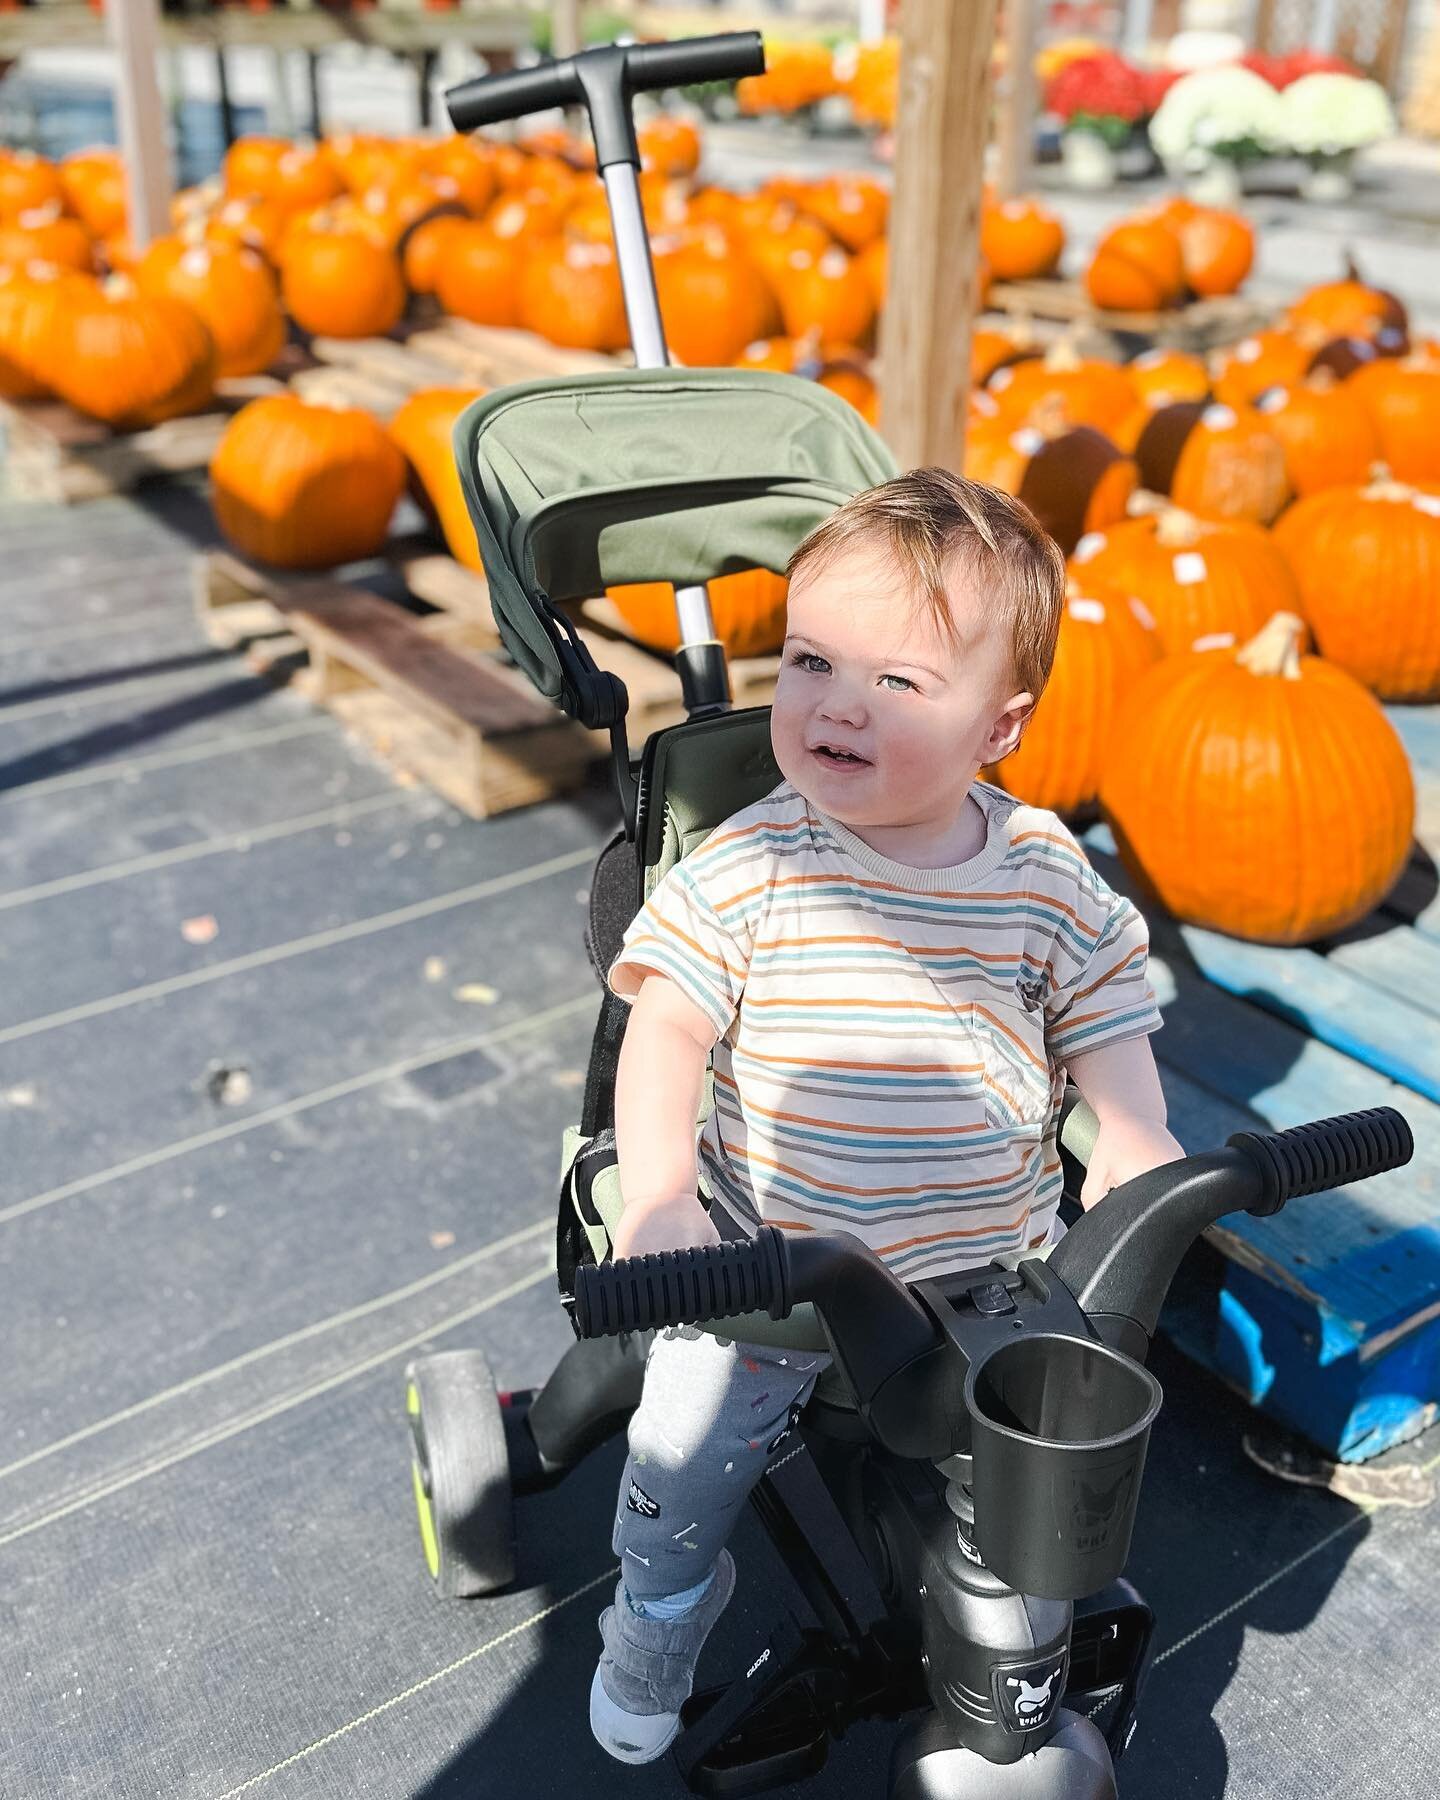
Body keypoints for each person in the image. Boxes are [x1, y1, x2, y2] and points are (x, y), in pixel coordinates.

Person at [589, 467, 1184, 1763]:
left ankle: (1017, 1632)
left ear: (1001, 728)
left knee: (1034, 1481)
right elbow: (668, 1032)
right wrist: (659, 1194)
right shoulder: (752, 865)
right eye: (812, 661)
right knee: (681, 1463)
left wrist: (1132, 1130)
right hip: (779, 1275)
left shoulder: (1037, 871)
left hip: (991, 1273)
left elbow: (1101, 1007)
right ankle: (660, 1611)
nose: (838, 705)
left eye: (900, 683)